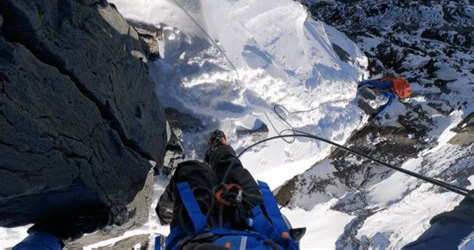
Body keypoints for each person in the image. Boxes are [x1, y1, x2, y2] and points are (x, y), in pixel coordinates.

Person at [13, 130, 305, 250]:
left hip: (198, 232)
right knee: (232, 171)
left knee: (192, 174)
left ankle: (165, 210)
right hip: (260, 228)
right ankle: (219, 149)